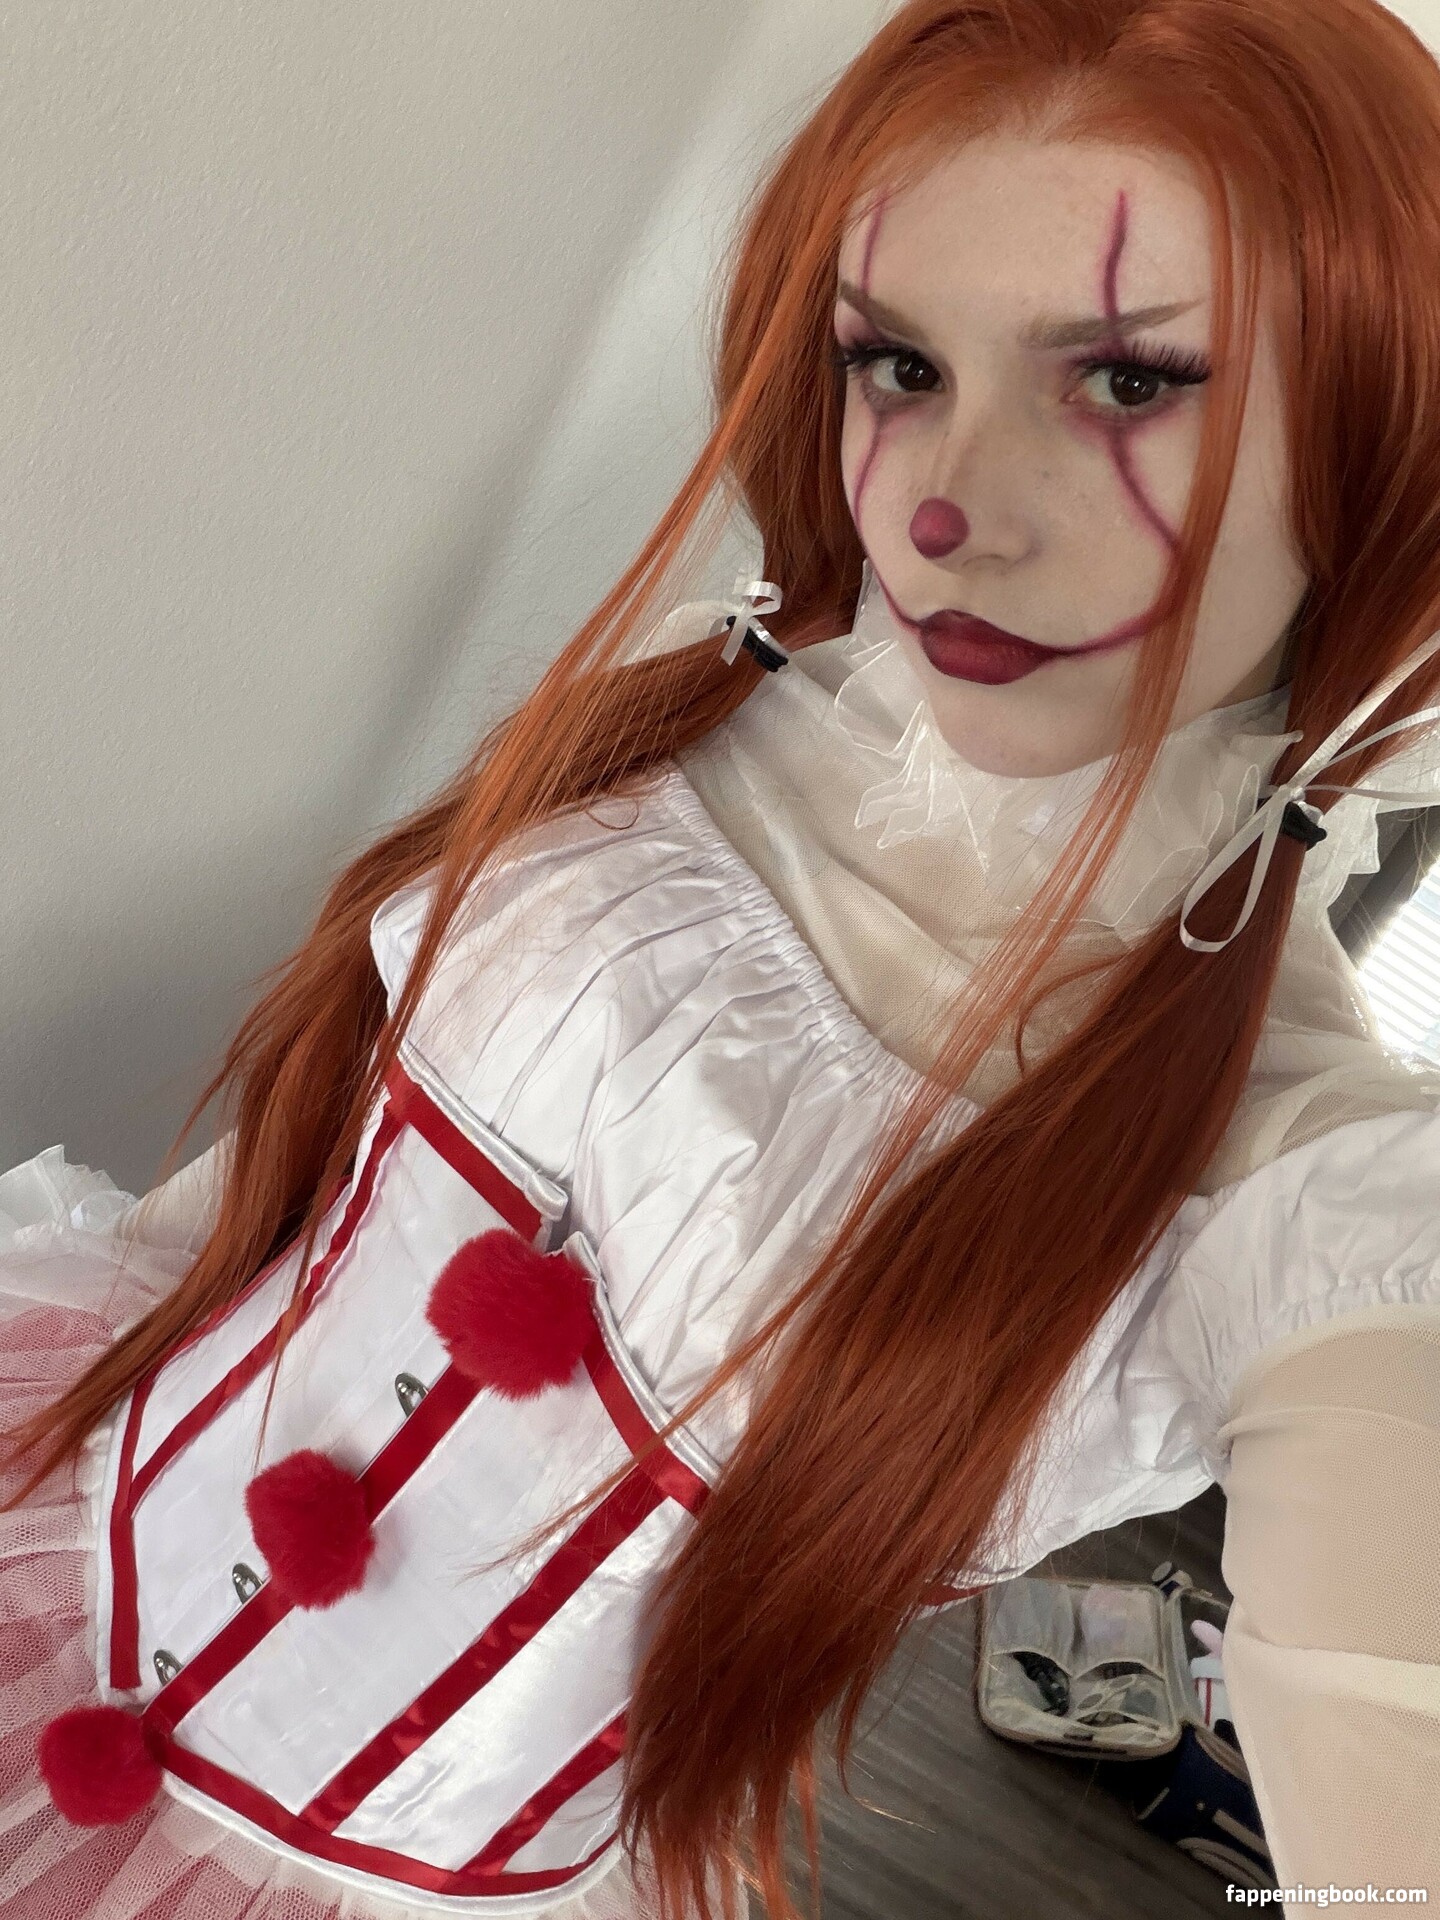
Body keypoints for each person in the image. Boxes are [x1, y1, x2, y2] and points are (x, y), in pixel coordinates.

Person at [4, 1, 1440, 1914]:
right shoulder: (701, 709)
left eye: (1126, 381)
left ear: (1385, 432)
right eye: (898, 363)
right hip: (61, 1518)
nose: (944, 507)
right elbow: (280, 1200)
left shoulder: (1311, 1182)